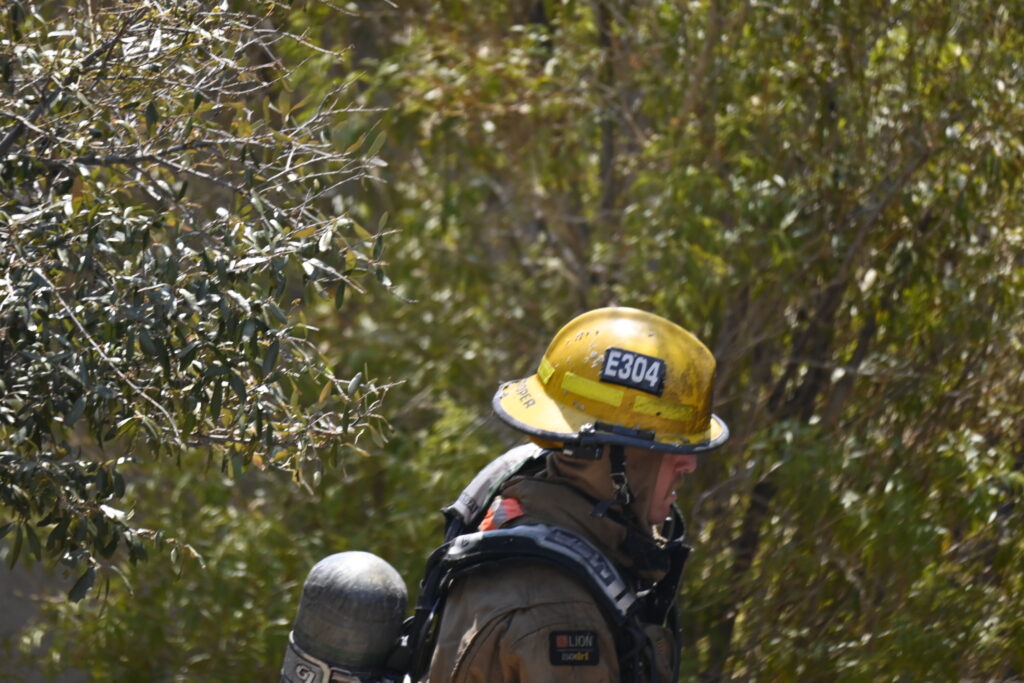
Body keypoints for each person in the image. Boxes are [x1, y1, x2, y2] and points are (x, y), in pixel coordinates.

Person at [427, 307, 729, 682]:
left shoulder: (532, 498)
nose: (689, 464)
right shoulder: (559, 617)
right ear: (609, 456)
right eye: (669, 448)